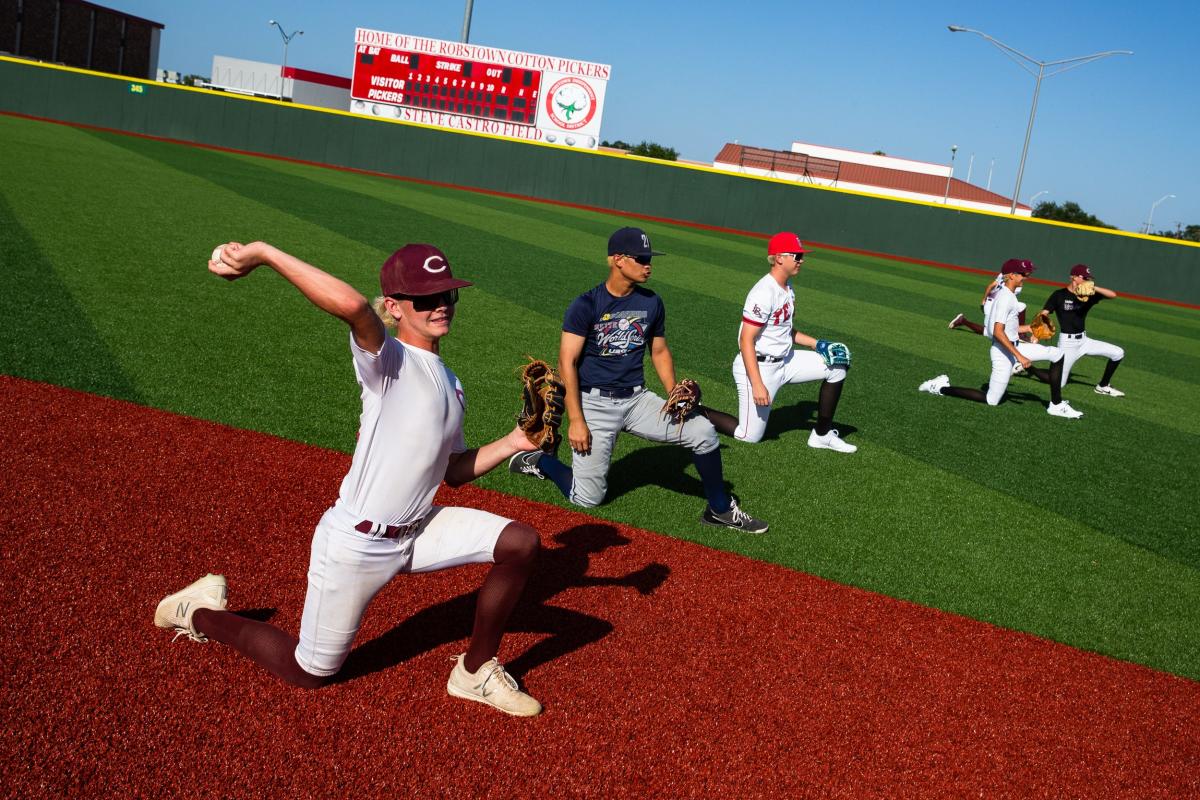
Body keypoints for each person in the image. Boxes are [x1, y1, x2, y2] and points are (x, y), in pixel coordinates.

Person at [153, 241, 544, 717]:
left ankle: (474, 671)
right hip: (356, 545)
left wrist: (512, 442)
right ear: (395, 307)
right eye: (426, 298)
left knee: (520, 543)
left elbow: (452, 472)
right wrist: (262, 253)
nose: (441, 305)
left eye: (447, 295)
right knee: (309, 671)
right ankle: (196, 612)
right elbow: (355, 307)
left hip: (418, 530)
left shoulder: (452, 381)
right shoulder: (388, 362)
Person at [508, 226, 769, 533]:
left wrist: (673, 391)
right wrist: (576, 419)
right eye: (641, 258)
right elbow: (568, 361)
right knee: (587, 498)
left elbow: (658, 351)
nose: (648, 264)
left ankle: (720, 510)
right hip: (594, 404)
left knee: (702, 431)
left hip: (637, 400)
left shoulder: (651, 302)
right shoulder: (586, 305)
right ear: (618, 260)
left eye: (649, 258)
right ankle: (540, 461)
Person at [703, 231, 855, 452]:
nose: (801, 260)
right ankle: (696, 411)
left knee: (837, 367)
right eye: (797, 256)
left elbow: (785, 330)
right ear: (779, 257)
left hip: (786, 362)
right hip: (758, 367)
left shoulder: (787, 289)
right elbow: (746, 340)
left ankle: (821, 435)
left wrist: (817, 344)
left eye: (801, 256)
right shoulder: (764, 292)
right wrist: (757, 384)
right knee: (749, 436)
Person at [919, 258, 1083, 419]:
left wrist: (1031, 328)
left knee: (1057, 354)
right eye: (1023, 274)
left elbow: (1009, 329)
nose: (1026, 277)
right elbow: (998, 332)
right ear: (1011, 275)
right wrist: (1019, 357)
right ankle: (939, 387)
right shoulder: (1005, 298)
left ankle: (1056, 405)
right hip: (1003, 352)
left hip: (1015, 346)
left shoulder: (1009, 296)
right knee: (991, 400)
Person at [1034, 264, 1126, 397]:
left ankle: (1103, 386)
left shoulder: (1089, 294)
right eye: (1085, 277)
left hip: (1084, 341)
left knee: (1118, 353)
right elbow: (1044, 313)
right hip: (1067, 344)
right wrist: (1037, 334)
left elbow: (1113, 295)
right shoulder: (1059, 295)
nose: (1088, 280)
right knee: (1059, 383)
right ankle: (1028, 367)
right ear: (1074, 277)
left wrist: (1094, 287)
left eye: (1089, 278)